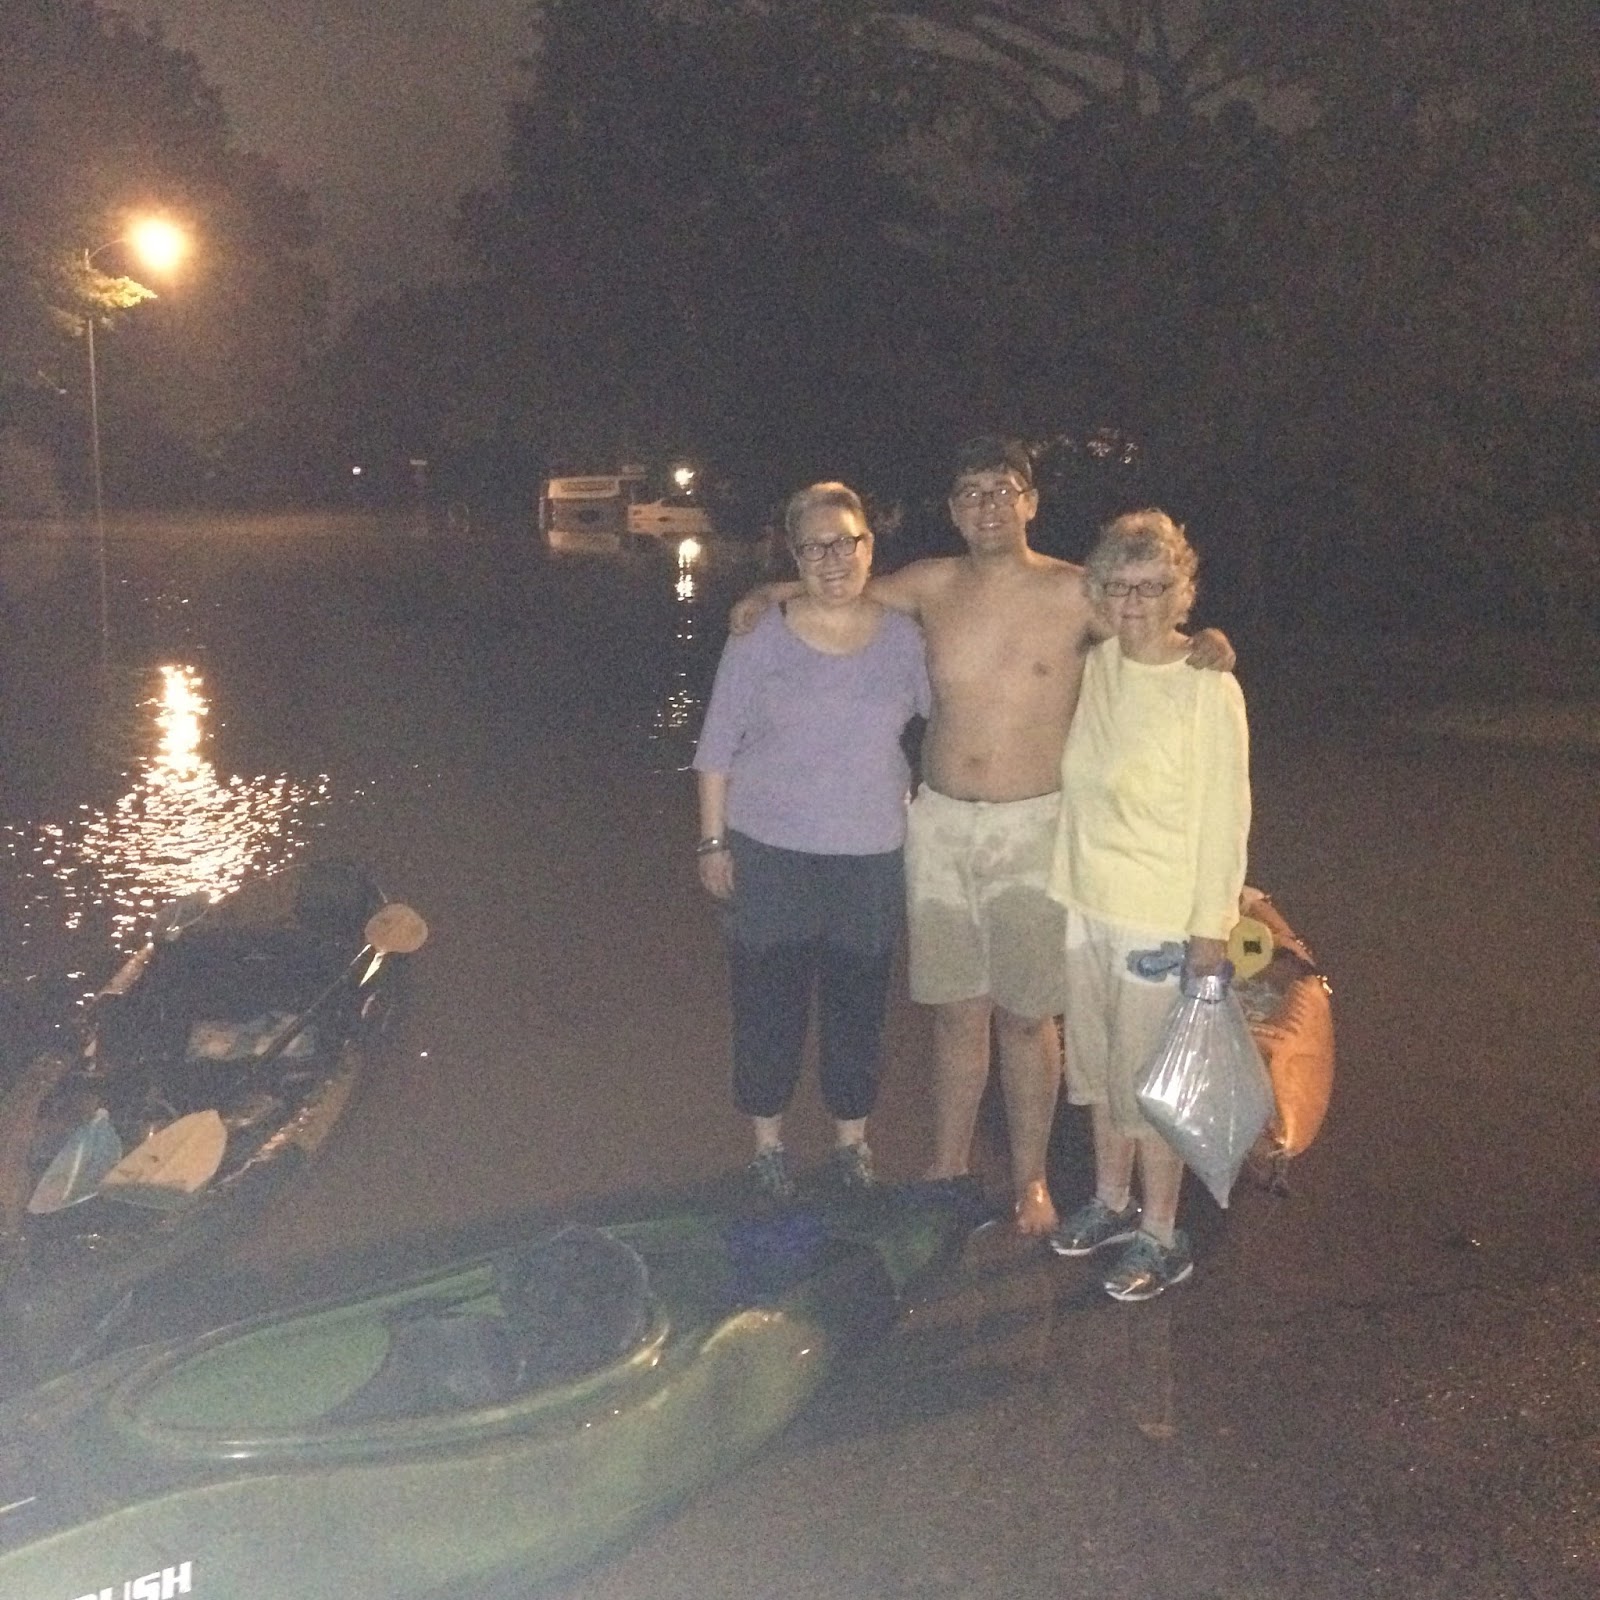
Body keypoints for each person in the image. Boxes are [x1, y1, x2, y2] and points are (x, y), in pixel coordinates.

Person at [731, 438, 1233, 1234]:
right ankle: (947, 1168)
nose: (987, 505)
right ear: (953, 509)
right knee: (956, 1013)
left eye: (1003, 489)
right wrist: (770, 591)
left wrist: (1204, 642)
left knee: (1028, 1019)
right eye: (970, 492)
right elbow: (843, 583)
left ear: (1030, 501)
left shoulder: (1076, 591)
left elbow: (1150, 630)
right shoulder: (930, 583)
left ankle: (1032, 1181)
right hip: (939, 826)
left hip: (1034, 828)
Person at [694, 483, 931, 1200]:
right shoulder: (758, 635)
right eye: (814, 547)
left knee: (859, 1008)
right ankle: (768, 1146)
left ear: (869, 547)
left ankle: (851, 1144)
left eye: (845, 542)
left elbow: (954, 717)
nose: (832, 559)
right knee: (768, 1004)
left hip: (870, 856)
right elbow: (716, 747)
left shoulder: (905, 639)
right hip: (770, 852)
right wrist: (712, 842)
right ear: (794, 557)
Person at [1045, 509, 1250, 1300]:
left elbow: (1226, 819)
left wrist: (1210, 931)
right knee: (1099, 1072)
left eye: (1153, 587)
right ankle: (1110, 1200)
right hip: (1085, 903)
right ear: (1099, 592)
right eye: (1120, 587)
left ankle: (1163, 1234)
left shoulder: (1207, 686)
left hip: (1157, 919)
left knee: (1150, 1084)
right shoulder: (1097, 663)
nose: (1135, 602)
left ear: (1180, 592)